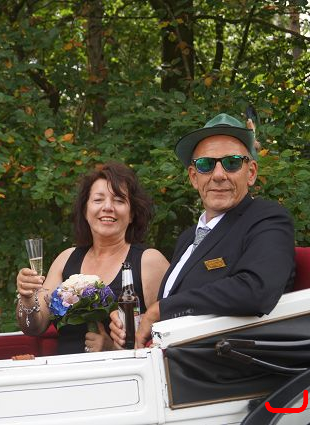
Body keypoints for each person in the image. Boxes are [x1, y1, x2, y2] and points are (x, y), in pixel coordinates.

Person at [110, 113, 296, 348]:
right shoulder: (189, 237)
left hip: (226, 363)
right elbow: (181, 305)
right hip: (174, 358)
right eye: (206, 165)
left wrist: (160, 310)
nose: (218, 175)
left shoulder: (267, 219)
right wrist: (135, 322)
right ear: (193, 177)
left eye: (232, 163)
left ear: (251, 173)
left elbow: (256, 290)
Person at [16, 162, 170, 354]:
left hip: (126, 371)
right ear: (85, 211)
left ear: (132, 214)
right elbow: (34, 327)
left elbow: (169, 336)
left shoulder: (149, 261)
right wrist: (27, 298)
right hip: (64, 371)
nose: (108, 207)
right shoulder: (66, 259)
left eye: (119, 200)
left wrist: (111, 349)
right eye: (98, 200)